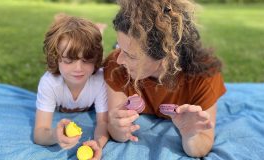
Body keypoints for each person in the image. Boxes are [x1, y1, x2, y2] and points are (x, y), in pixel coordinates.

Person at [103, 0, 226, 157]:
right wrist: (117, 128)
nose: (119, 59)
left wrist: (191, 135)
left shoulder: (204, 77)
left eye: (131, 55)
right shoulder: (116, 68)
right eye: (119, 47)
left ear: (166, 56)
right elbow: (117, 130)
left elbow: (199, 148)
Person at [34, 13, 108, 160]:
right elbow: (40, 133)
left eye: (86, 60)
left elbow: (104, 122)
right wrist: (55, 135)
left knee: (90, 43)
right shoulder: (49, 83)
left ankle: (99, 32)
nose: (78, 68)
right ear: (55, 59)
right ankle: (61, 20)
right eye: (69, 60)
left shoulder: (100, 80)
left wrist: (98, 143)